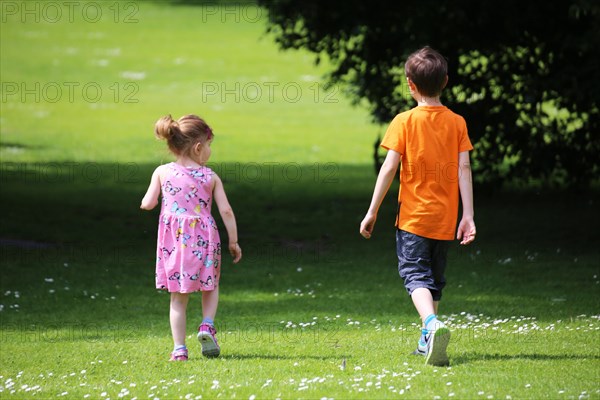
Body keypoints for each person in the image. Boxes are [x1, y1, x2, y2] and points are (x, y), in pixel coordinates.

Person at [359, 46, 476, 366]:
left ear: (410, 84)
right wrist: (468, 216)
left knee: (415, 276)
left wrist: (372, 211)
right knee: (434, 280)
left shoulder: (404, 121)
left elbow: (388, 169)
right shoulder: (457, 122)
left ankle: (431, 324)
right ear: (446, 81)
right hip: (445, 219)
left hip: (413, 219)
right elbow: (464, 170)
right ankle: (429, 342)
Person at [141, 114, 242, 361]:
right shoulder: (210, 177)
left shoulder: (162, 172)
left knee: (178, 296)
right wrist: (233, 241)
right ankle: (207, 325)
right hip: (205, 240)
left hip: (175, 242)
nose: (209, 152)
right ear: (198, 147)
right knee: (211, 284)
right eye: (209, 146)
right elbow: (226, 211)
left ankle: (179, 350)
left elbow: (148, 203)